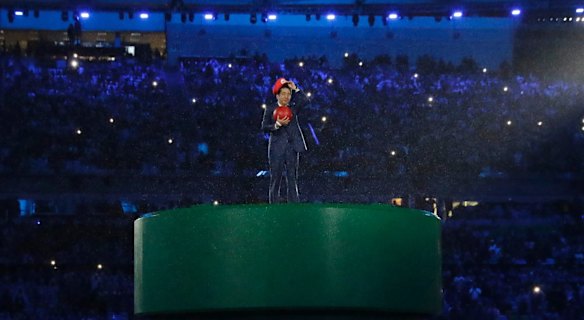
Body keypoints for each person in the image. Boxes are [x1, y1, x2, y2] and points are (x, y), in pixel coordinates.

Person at [261, 78, 310, 203]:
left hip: (292, 147)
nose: (286, 97)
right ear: (277, 95)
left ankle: (294, 204)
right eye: (283, 94)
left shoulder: (293, 108)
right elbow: (264, 127)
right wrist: (277, 124)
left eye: (288, 94)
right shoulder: (271, 108)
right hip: (276, 148)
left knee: (292, 177)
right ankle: (273, 204)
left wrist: (296, 89)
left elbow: (305, 101)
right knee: (275, 177)